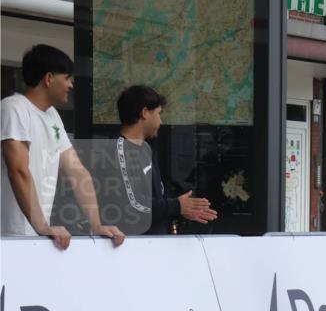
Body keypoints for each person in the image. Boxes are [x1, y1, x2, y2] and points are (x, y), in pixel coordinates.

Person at [1, 45, 124, 250]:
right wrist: (42, 226)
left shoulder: (52, 115)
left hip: (36, 235)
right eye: (67, 78)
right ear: (49, 79)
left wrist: (96, 225)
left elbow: (77, 172)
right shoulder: (14, 107)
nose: (71, 84)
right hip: (8, 235)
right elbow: (18, 170)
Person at [93, 85, 217, 235]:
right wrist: (176, 206)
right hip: (131, 244)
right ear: (145, 113)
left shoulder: (146, 149)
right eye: (158, 114)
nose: (161, 121)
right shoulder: (117, 152)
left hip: (155, 242)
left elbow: (155, 201)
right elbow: (132, 205)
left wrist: (181, 209)